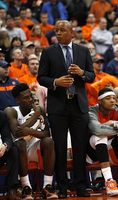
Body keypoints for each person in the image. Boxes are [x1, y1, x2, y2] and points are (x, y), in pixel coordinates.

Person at [37, 20, 95, 198]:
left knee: (79, 148)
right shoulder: (47, 51)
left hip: (78, 105)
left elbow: (92, 76)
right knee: (60, 148)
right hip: (58, 106)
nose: (58, 33)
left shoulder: (83, 50)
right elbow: (41, 77)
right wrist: (55, 82)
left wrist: (82, 73)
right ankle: (62, 188)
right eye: (57, 30)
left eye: (62, 30)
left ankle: (81, 187)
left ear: (72, 32)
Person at [5, 84, 58, 199]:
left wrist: (30, 131)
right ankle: (26, 187)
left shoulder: (40, 109)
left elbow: (46, 133)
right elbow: (17, 133)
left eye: (30, 96)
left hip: (34, 147)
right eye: (26, 98)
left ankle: (47, 186)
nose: (30, 100)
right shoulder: (11, 111)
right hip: (17, 152)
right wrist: (36, 115)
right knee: (21, 143)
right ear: (18, 100)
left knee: (49, 141)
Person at [86, 88, 118, 197]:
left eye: (114, 98)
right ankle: (109, 181)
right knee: (101, 136)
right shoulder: (92, 111)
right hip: (93, 152)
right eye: (108, 98)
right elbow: (98, 130)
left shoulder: (117, 110)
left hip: (111, 149)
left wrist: (114, 123)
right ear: (100, 101)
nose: (112, 101)